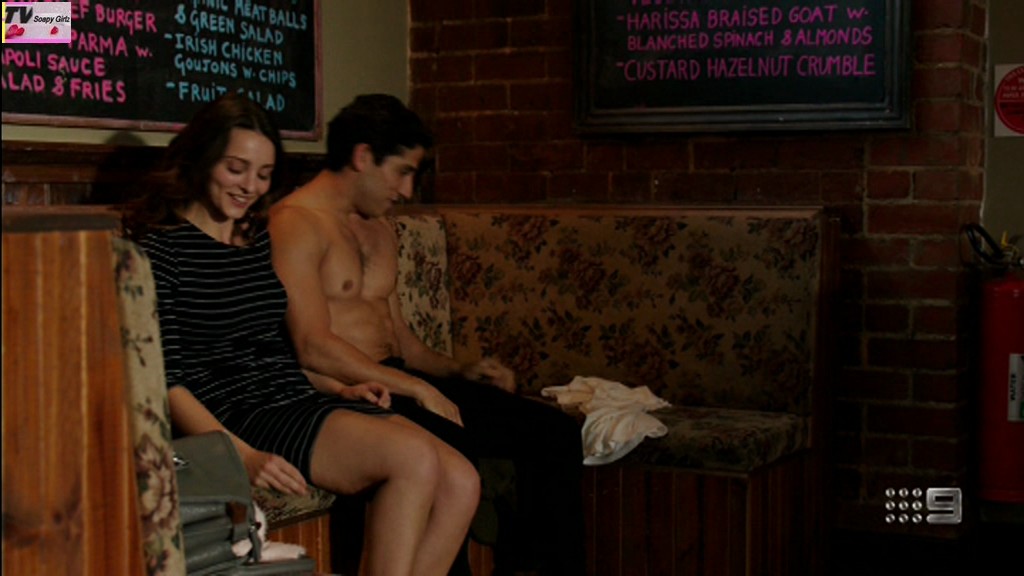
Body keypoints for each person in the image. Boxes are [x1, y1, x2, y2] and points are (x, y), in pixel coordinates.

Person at [122, 92, 480, 576]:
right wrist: (242, 456)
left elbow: (272, 348)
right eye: (236, 169)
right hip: (238, 413)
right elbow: (166, 382)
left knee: (461, 481)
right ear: (203, 157)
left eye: (264, 174)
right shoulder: (160, 251)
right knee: (413, 459)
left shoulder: (253, 238)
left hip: (290, 394)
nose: (250, 187)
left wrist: (338, 387)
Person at [268, 94, 586, 576]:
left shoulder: (379, 229)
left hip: (399, 377)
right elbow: (311, 345)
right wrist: (417, 389)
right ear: (362, 156)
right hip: (351, 391)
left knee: (555, 434)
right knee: (450, 457)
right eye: (402, 172)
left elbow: (404, 344)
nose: (407, 190)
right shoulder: (294, 224)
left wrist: (461, 370)